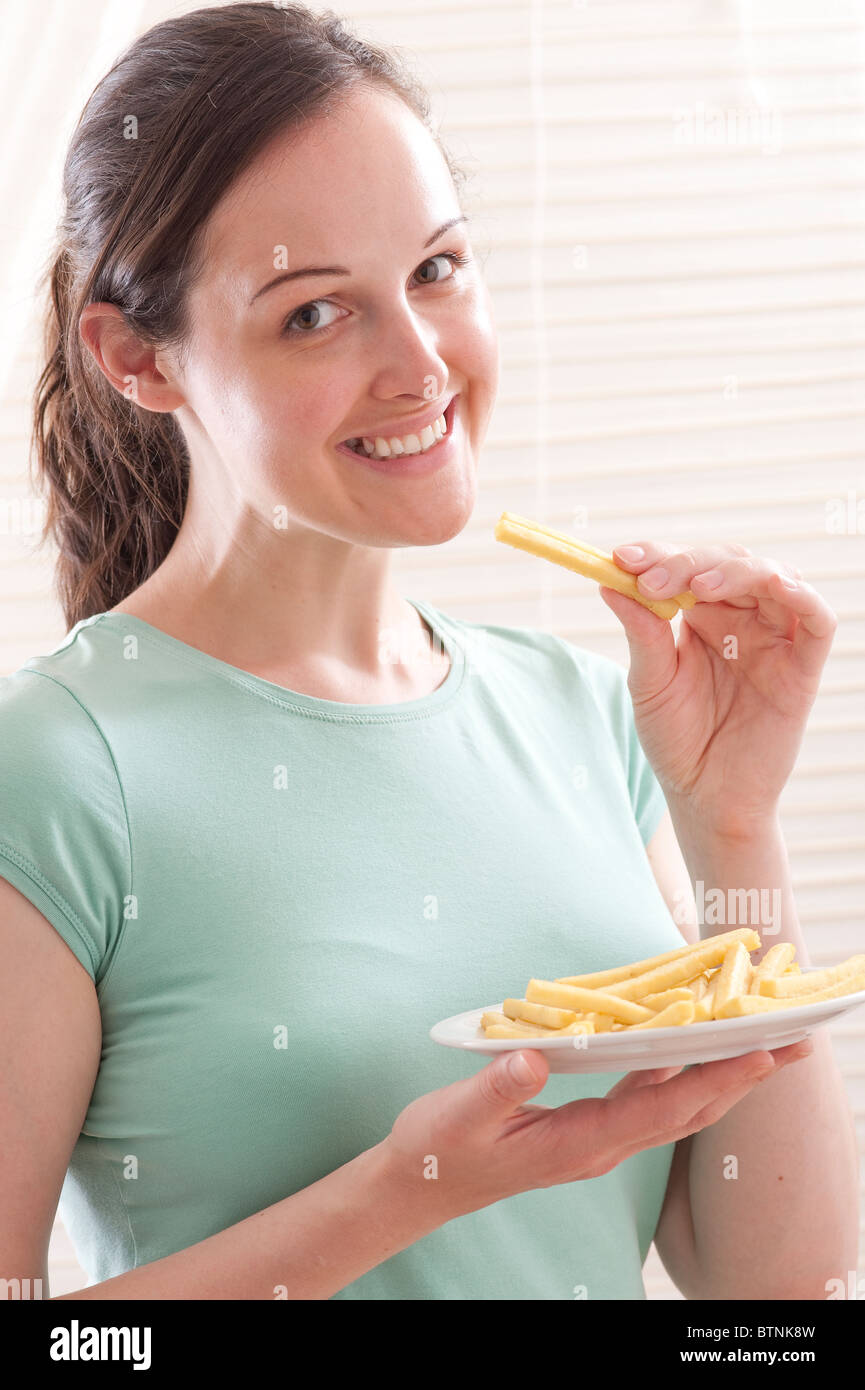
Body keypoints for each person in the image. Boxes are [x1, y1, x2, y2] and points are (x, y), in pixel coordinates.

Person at [1, 2, 855, 1301]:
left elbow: (773, 1287)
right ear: (136, 358)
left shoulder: (580, 708)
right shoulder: (58, 767)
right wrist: (410, 1189)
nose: (420, 365)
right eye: (312, 314)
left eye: (437, 270)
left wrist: (730, 826)